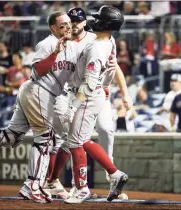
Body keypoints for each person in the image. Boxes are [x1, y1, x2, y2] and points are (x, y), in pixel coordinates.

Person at [0, 11, 75, 204]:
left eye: (68, 24)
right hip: (38, 90)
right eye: (62, 25)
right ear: (53, 28)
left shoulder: (72, 47)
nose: (67, 27)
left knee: (11, 135)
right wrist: (56, 52)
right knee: (45, 137)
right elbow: (39, 70)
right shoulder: (48, 43)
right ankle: (32, 184)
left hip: (41, 93)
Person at [59, 5, 132, 204]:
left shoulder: (98, 46)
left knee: (75, 141)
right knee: (80, 140)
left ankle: (82, 188)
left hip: (88, 97)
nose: (95, 20)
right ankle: (114, 174)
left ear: (106, 23)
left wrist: (73, 106)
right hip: (93, 94)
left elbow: (89, 83)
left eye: (99, 18)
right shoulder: (104, 41)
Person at [45, 7, 119, 197]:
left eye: (78, 20)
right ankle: (65, 182)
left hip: (88, 93)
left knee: (93, 134)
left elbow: (98, 77)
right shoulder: (97, 40)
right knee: (74, 139)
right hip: (75, 91)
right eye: (72, 21)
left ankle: (91, 183)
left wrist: (74, 107)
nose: (75, 24)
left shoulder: (98, 43)